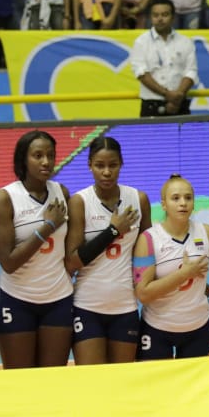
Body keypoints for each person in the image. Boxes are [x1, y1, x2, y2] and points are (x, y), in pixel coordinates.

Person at [0, 130, 74, 368]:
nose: (46, 161)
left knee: (52, 380)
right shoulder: (5, 198)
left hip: (58, 299)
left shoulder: (61, 193)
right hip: (18, 300)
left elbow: (69, 249)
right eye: (38, 155)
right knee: (20, 381)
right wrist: (47, 227)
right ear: (23, 160)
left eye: (50, 155)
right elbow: (9, 262)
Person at [65, 136, 151, 365]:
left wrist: (186, 282)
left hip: (125, 305)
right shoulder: (80, 201)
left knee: (122, 383)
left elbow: (150, 254)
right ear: (90, 165)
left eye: (112, 165)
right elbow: (72, 261)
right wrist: (112, 231)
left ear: (121, 164)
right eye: (99, 166)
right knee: (93, 383)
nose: (106, 172)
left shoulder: (138, 199)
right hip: (87, 305)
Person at [133, 174, 209, 360]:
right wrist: (184, 275)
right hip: (158, 328)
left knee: (195, 388)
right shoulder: (149, 239)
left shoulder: (207, 232)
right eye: (175, 198)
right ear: (164, 204)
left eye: (188, 198)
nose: (183, 203)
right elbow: (143, 293)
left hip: (198, 326)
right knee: (156, 388)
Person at [130, 0, 195, 118]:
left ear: (173, 17)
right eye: (156, 15)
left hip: (180, 103)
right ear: (150, 17)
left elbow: (191, 72)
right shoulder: (141, 42)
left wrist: (177, 97)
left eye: (165, 15)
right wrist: (167, 94)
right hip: (151, 104)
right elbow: (141, 73)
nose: (160, 19)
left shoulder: (185, 42)